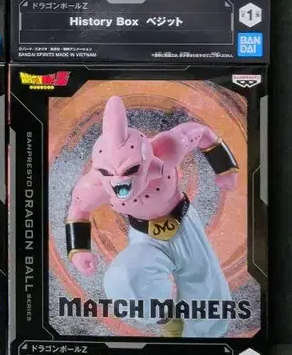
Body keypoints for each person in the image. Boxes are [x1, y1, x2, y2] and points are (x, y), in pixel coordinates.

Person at [64, 95, 237, 337]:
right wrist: (79, 249)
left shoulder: (168, 148)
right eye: (109, 174)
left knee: (208, 299)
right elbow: (78, 209)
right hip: (145, 236)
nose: (120, 184)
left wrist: (225, 168)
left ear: (149, 160)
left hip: (184, 225)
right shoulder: (92, 186)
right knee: (125, 280)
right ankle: (167, 319)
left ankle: (203, 344)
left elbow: (201, 133)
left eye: (130, 170)